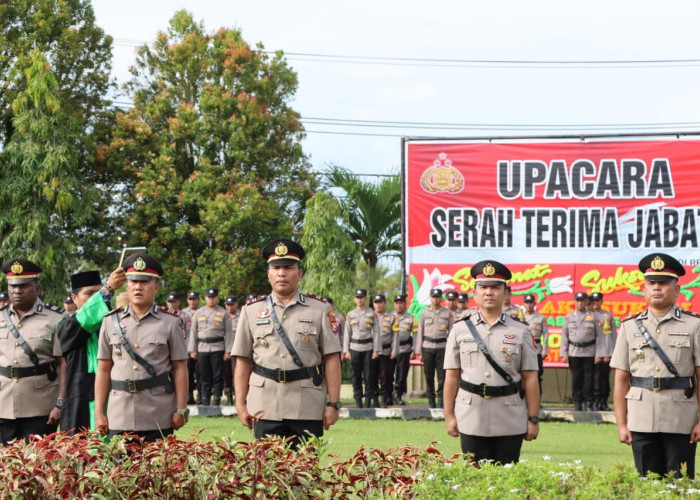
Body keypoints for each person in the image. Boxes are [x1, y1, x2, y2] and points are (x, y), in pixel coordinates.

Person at [232, 238, 342, 448]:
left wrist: (333, 404)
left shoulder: (320, 309)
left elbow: (332, 359)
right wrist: (240, 402)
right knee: (267, 473)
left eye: (288, 268)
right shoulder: (251, 310)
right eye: (276, 268)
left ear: (299, 274)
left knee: (305, 474)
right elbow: (243, 360)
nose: (282, 273)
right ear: (268, 274)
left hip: (307, 404)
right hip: (264, 404)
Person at [611, 253, 700, 478]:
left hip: (681, 419)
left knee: (680, 485)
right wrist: (622, 424)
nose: (657, 288)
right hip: (641, 418)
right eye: (652, 283)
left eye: (664, 283)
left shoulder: (694, 325)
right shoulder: (630, 327)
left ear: (677, 289)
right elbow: (622, 379)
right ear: (644, 289)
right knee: (646, 483)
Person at [443, 260, 540, 465]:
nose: (489, 292)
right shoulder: (460, 329)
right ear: (475, 293)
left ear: (506, 294)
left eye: (495, 287)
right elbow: (451, 375)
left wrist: (533, 419)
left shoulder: (520, 330)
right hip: (470, 415)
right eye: (483, 287)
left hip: (510, 416)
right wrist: (449, 415)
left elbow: (530, 378)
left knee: (507, 478)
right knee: (474, 476)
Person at [94, 252, 189, 442]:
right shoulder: (110, 321)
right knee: (121, 471)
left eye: (145, 282)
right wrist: (99, 412)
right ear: (126, 286)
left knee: (158, 471)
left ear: (156, 287)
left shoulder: (170, 322)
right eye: (133, 281)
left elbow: (180, 367)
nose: (138, 287)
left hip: (158, 413)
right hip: (119, 414)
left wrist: (181, 409)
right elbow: (103, 369)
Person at [0, 258, 66, 444]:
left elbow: (63, 363)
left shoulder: (56, 318)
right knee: (5, 466)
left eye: (23, 286)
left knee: (39, 465)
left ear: (37, 289)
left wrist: (60, 403)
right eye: (13, 286)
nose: (17, 291)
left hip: (41, 406)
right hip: (3, 404)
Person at [57, 268, 126, 434]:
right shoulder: (66, 325)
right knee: (81, 453)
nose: (96, 297)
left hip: (114, 393)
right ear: (74, 298)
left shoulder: (115, 322)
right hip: (79, 396)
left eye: (98, 292)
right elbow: (84, 321)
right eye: (89, 293)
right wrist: (107, 289)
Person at [188, 287, 234, 406]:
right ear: (205, 298)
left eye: (213, 297)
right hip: (202, 347)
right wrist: (192, 349)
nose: (211, 299)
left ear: (217, 298)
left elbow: (228, 333)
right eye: (209, 297)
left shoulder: (224, 313)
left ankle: (216, 400)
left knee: (218, 376)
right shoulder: (198, 313)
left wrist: (228, 351)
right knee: (203, 376)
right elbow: (193, 333)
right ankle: (205, 400)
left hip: (218, 348)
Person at [561, 292, 604, 411]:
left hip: (590, 352)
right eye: (577, 300)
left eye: (582, 300)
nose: (580, 303)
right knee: (576, 378)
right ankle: (577, 403)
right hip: (574, 352)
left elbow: (599, 336)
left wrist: (599, 354)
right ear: (574, 302)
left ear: (586, 302)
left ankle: (588, 402)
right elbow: (564, 336)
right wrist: (564, 353)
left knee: (589, 379)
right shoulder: (569, 317)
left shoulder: (594, 316)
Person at [414, 288, 453, 408]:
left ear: (441, 298)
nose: (435, 299)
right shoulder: (424, 313)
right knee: (429, 376)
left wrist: (451, 351)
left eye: (438, 297)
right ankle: (431, 401)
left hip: (442, 348)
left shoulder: (447, 313)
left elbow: (451, 333)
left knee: (442, 376)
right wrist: (419, 352)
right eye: (433, 297)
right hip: (428, 348)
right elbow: (420, 332)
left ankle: (441, 401)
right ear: (430, 298)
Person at [342, 289, 380, 408]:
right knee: (355, 375)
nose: (360, 300)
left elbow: (376, 332)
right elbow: (347, 333)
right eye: (358, 297)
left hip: (368, 348)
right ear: (355, 299)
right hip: (354, 348)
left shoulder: (371, 313)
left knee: (369, 376)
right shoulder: (350, 314)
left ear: (365, 298)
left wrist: (376, 350)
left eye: (362, 297)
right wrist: (346, 350)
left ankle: (368, 401)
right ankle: (358, 400)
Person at [589, 292, 617, 411]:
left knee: (604, 378)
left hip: (605, 352)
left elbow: (612, 336)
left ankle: (603, 401)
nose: (596, 303)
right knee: (593, 379)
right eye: (593, 301)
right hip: (591, 353)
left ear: (602, 301)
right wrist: (596, 354)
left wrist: (610, 353)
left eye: (598, 300)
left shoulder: (607, 316)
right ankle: (594, 401)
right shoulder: (588, 316)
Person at [392, 295, 418, 406]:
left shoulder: (411, 318)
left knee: (402, 374)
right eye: (397, 303)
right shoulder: (389, 317)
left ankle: (399, 396)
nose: (399, 305)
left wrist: (414, 350)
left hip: (405, 349)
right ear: (394, 305)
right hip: (390, 350)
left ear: (405, 304)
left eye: (401, 303)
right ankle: (388, 396)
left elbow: (416, 335)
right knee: (389, 374)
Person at [374, 294, 398, 407]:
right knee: (372, 376)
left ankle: (385, 398)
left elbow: (395, 336)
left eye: (380, 302)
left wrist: (394, 351)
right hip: (372, 352)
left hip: (386, 351)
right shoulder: (369, 316)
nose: (378, 305)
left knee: (386, 376)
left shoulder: (392, 317)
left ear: (384, 303)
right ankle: (374, 399)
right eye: (376, 302)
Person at [522, 294, 549, 396]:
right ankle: (523, 399)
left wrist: (545, 350)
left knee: (537, 375)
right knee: (522, 375)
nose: (529, 305)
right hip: (523, 349)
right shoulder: (520, 317)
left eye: (530, 303)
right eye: (526, 303)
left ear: (534, 303)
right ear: (524, 304)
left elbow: (545, 334)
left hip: (536, 349)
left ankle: (537, 399)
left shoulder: (541, 318)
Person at [180, 291, 200, 404]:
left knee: (201, 373)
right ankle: (189, 395)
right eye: (190, 299)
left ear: (198, 299)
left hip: (201, 347)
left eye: (194, 299)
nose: (192, 301)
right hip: (186, 348)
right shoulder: (183, 313)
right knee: (188, 373)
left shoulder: (203, 311)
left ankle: (201, 395)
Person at [223, 295, 240, 405]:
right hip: (224, 350)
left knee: (237, 373)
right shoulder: (222, 315)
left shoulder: (242, 314)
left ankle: (237, 396)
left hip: (238, 350)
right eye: (227, 305)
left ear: (236, 304)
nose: (229, 307)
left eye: (232, 304)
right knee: (226, 374)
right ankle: (228, 396)